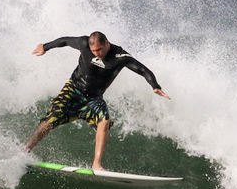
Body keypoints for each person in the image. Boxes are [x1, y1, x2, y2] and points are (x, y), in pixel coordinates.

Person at [26, 31, 171, 171]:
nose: (96, 54)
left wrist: (155, 85)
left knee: (104, 121)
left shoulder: (120, 56)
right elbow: (65, 41)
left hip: (93, 98)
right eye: (93, 51)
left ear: (107, 43)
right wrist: (45, 47)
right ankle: (26, 150)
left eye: (99, 50)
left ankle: (96, 164)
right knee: (49, 121)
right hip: (72, 91)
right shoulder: (83, 43)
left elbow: (142, 70)